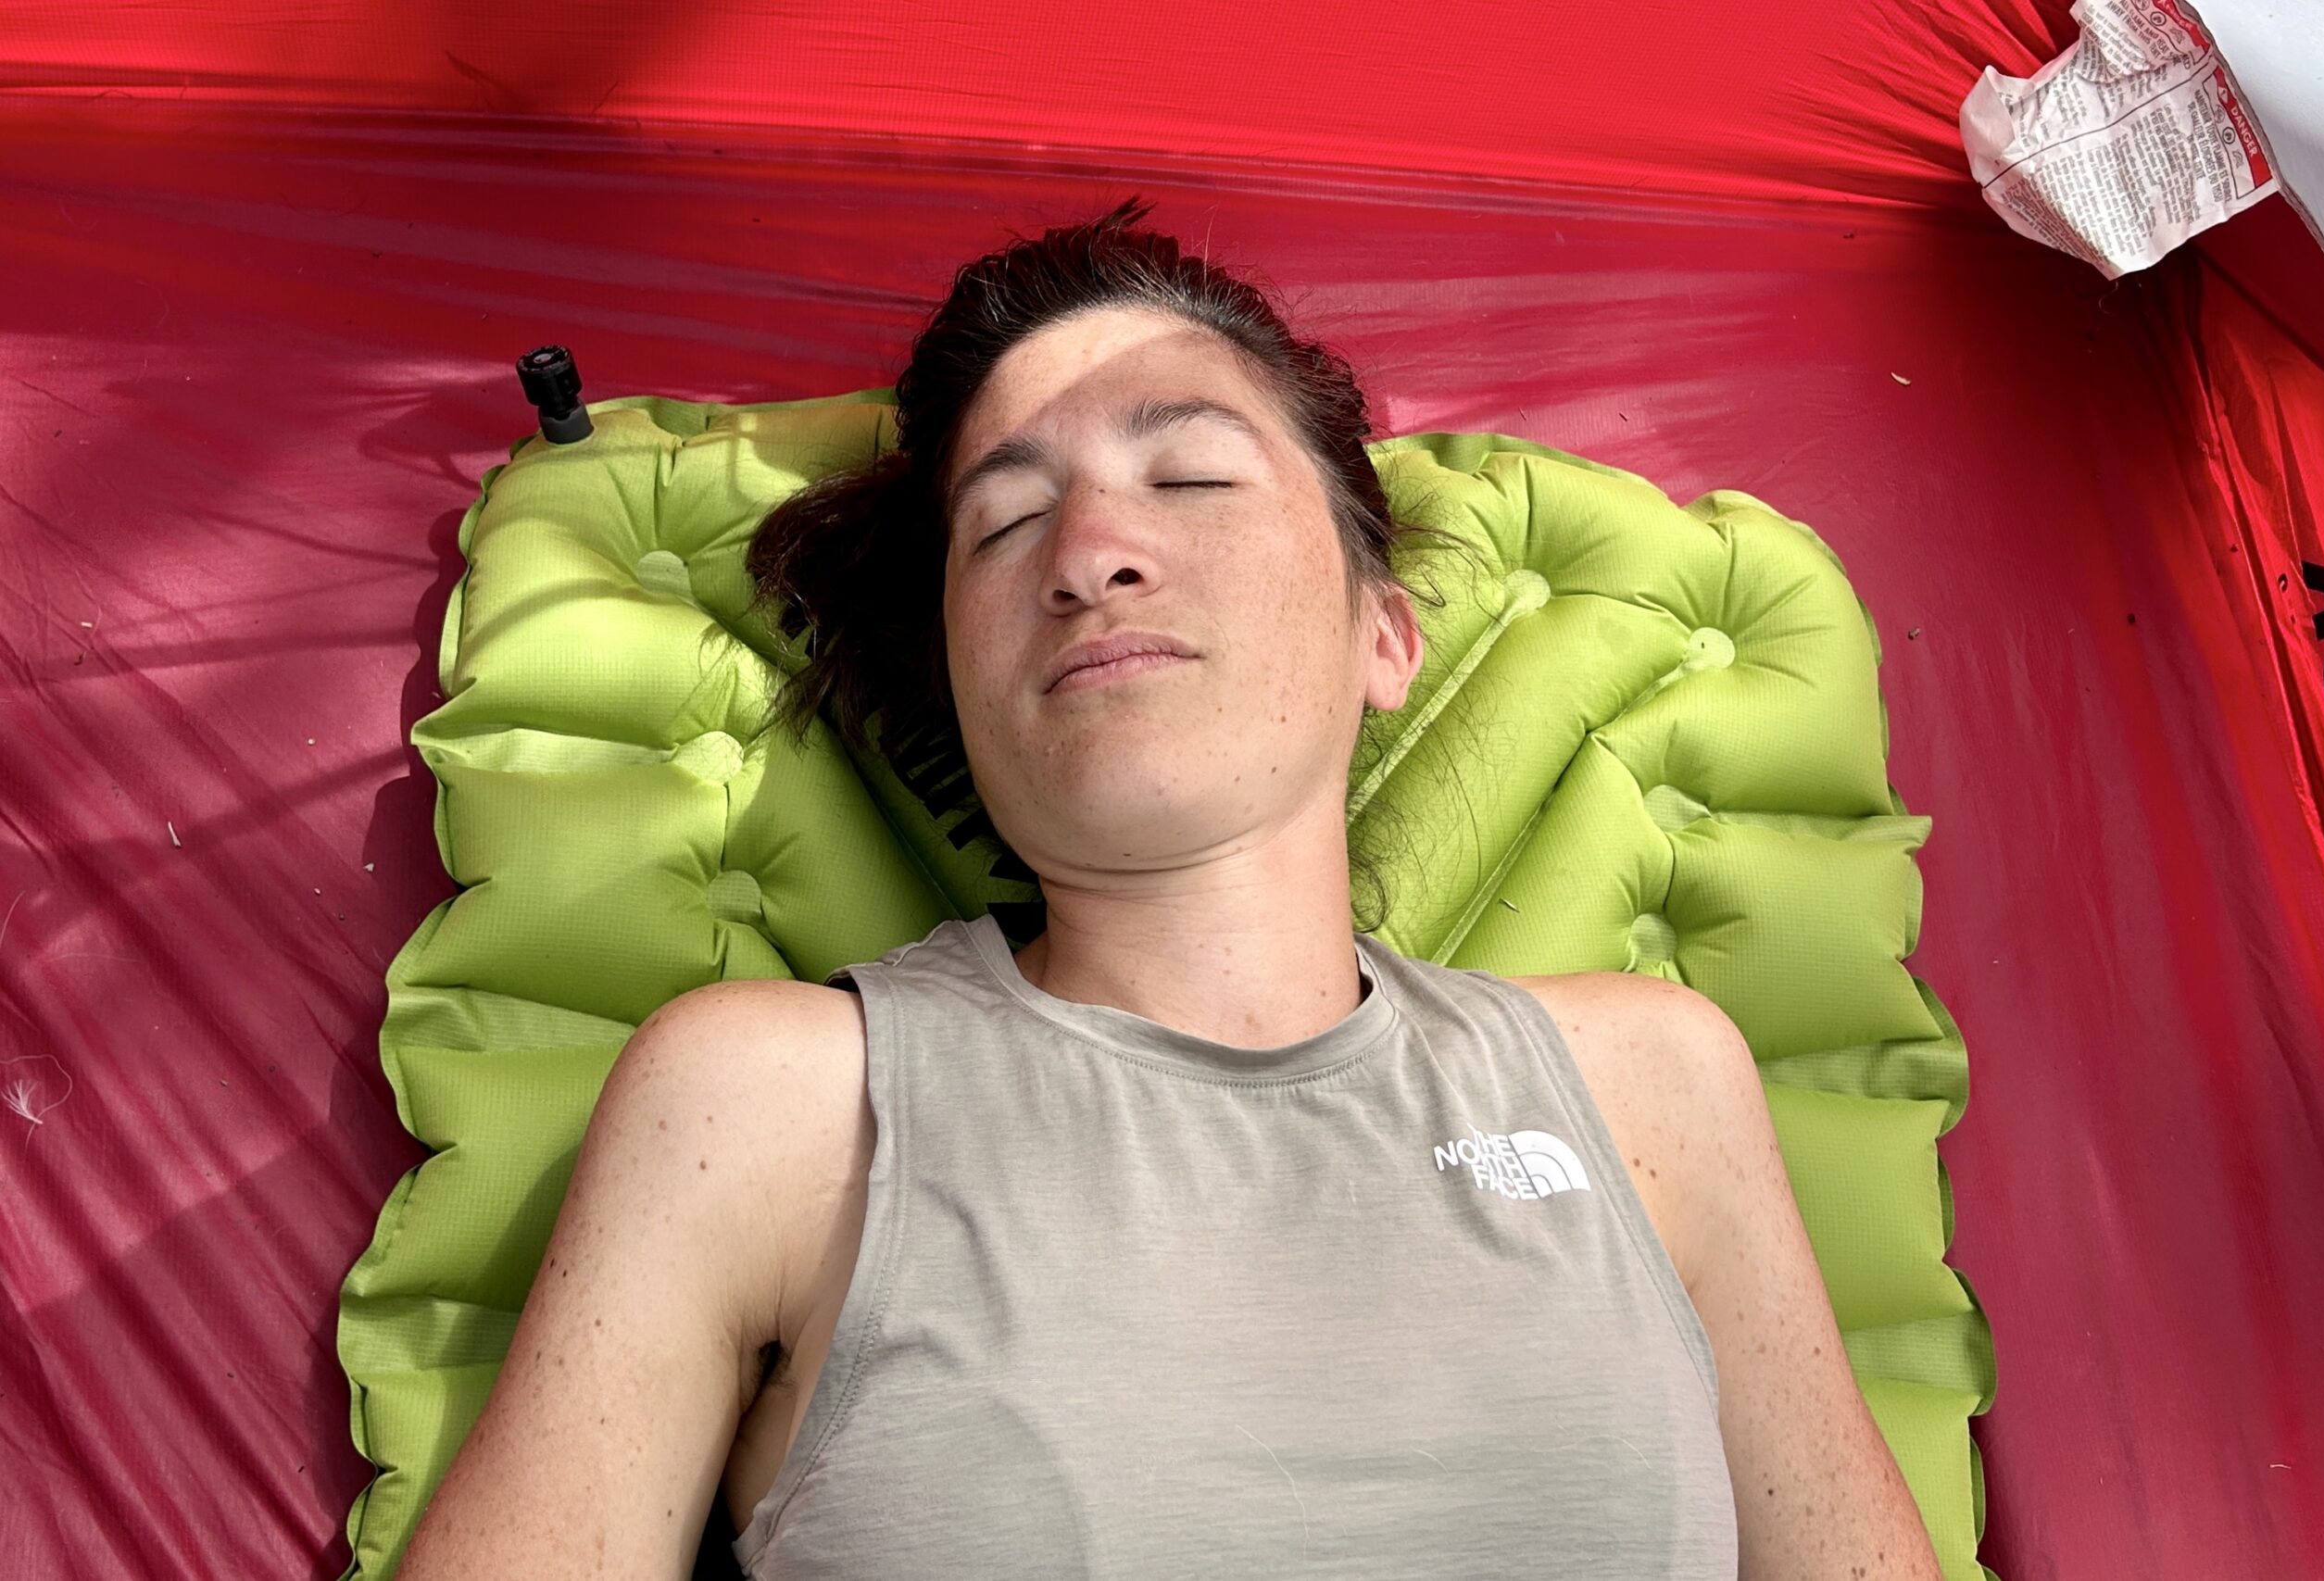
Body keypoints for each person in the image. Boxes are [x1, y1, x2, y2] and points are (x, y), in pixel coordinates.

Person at [394, 201, 1942, 1581]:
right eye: (1004, 524)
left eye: (1190, 473)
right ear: (963, 683)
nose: (1091, 551)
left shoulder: (1650, 1084)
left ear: (1383, 638)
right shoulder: (769, 1103)